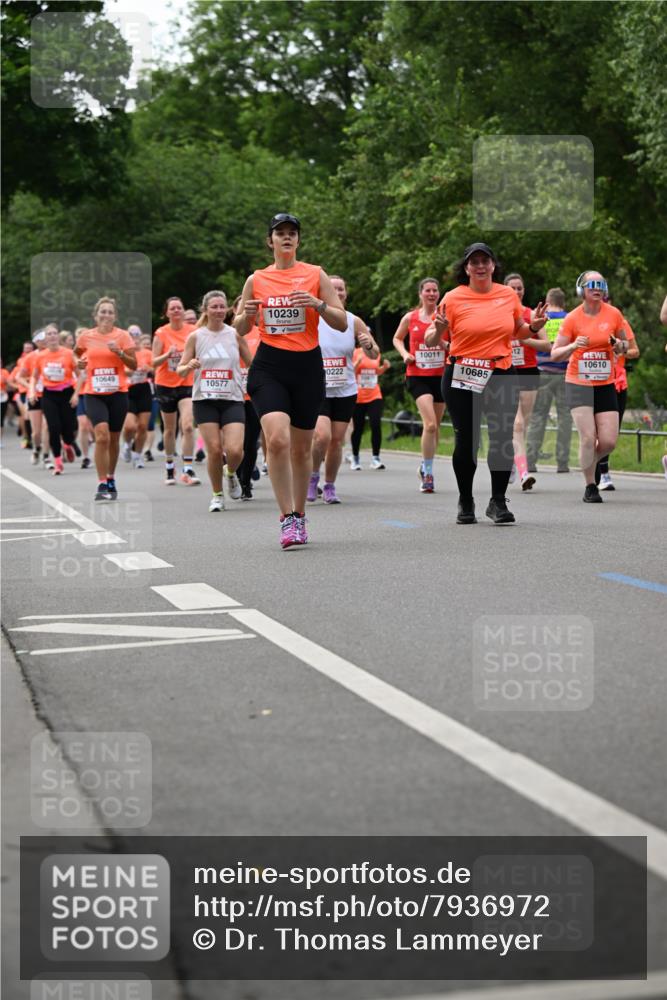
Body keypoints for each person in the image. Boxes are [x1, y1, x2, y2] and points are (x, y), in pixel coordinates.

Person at [234, 212, 346, 548]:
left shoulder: (315, 274)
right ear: (270, 240)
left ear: (298, 240)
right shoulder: (257, 279)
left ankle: (300, 513)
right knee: (278, 440)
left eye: (292, 233)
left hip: (307, 368)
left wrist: (318, 304)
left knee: (302, 449)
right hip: (269, 366)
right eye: (280, 233)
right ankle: (287, 518)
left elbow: (341, 321)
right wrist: (247, 316)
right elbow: (238, 329)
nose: (286, 238)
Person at [425, 242, 547, 525]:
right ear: (466, 267)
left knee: (502, 439)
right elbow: (432, 339)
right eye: (474, 262)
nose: (480, 266)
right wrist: (441, 328)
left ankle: (498, 502)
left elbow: (518, 331)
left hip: (500, 371)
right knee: (468, 441)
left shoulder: (507, 295)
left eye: (485, 261)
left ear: (493, 266)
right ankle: (466, 499)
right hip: (462, 373)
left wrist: (536, 326)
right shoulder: (453, 298)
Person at [551, 271, 628, 503]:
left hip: (605, 383)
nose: (597, 288)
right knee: (588, 437)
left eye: (601, 284)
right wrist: (574, 345)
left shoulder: (614, 314)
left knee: (608, 441)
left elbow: (625, 345)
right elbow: (555, 354)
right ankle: (590, 485)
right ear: (581, 290)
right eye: (591, 285)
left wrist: (618, 345)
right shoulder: (572, 318)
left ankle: (589, 461)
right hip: (578, 382)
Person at [177, 290, 250, 511]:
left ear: (227, 309)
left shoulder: (234, 335)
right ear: (205, 310)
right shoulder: (196, 336)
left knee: (236, 450)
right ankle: (217, 495)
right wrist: (188, 366)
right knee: (215, 450)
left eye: (222, 307)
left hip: (232, 398)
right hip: (204, 400)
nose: (218, 310)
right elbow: (180, 369)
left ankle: (230, 473)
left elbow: (253, 363)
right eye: (214, 307)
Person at [308, 275, 378, 504]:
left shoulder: (353, 321)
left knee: (337, 441)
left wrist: (368, 345)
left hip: (345, 389)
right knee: (321, 437)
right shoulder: (313, 318)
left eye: (341, 289)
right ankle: (312, 478)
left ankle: (329, 485)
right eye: (333, 288)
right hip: (318, 388)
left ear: (346, 294)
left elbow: (374, 353)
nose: (337, 292)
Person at [74, 297, 137, 501]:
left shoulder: (123, 336)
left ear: (115, 316)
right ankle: (102, 483)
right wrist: (79, 364)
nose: (106, 315)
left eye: (110, 312)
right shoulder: (86, 337)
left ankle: (111, 478)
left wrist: (119, 353)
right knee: (101, 436)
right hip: (94, 393)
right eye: (103, 311)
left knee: (113, 438)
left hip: (118, 392)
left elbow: (134, 365)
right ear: (96, 315)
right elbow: (76, 355)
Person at [392, 277, 445, 493]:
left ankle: (424, 464)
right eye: (427, 290)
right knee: (430, 424)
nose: (431, 294)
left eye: (435, 290)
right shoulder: (410, 317)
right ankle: (429, 474)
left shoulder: (444, 317)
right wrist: (405, 354)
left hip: (441, 376)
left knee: (436, 427)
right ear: (420, 294)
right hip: (417, 376)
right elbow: (397, 338)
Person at [505, 273, 551, 491]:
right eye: (512, 288)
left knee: (524, 424)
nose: (516, 291)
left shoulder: (531, 314)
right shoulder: (498, 314)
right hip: (505, 372)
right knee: (517, 424)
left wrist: (526, 339)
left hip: (528, 372)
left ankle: (514, 460)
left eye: (519, 288)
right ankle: (524, 472)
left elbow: (547, 346)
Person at [152, 296, 199, 486]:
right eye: (172, 308)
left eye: (179, 308)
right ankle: (170, 465)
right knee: (170, 430)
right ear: (167, 313)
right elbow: (152, 362)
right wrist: (167, 355)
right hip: (165, 384)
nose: (176, 311)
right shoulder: (161, 333)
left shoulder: (193, 331)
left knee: (187, 425)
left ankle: (187, 468)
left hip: (186, 383)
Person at [525, 288, 573, 474]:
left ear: (548, 300)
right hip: (564, 373)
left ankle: (530, 461)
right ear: (563, 301)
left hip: (543, 372)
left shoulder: (540, 318)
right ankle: (562, 463)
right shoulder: (569, 318)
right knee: (565, 418)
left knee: (538, 417)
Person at [596, 311, 639, 490]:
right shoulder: (584, 322)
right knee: (594, 431)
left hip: (617, 381)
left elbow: (635, 351)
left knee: (611, 432)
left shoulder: (622, 323)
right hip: (594, 381)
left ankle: (601, 469)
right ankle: (600, 471)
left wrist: (622, 350)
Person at [28, 324, 79, 474]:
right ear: (45, 338)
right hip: (49, 394)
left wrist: (76, 394)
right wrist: (31, 392)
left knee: (68, 427)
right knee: (53, 427)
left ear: (58, 336)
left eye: (54, 333)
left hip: (67, 393)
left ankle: (68, 445)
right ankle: (57, 462)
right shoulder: (40, 356)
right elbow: (34, 376)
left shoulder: (69, 353)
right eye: (48, 334)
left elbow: (81, 374)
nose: (51, 336)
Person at [349, 349, 391, 472]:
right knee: (358, 428)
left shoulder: (376, 353)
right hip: (358, 396)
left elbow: (375, 372)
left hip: (374, 395)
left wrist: (384, 367)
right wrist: (357, 362)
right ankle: (355, 458)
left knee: (376, 424)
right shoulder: (355, 352)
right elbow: (349, 371)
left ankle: (375, 458)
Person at [121, 326, 154, 468]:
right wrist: (128, 372)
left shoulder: (147, 353)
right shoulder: (125, 353)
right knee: (129, 426)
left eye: (136, 334)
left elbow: (155, 368)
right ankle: (127, 444)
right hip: (128, 390)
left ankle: (138, 455)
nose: (134, 337)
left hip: (144, 389)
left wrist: (149, 369)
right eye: (131, 334)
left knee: (142, 426)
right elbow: (120, 370)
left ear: (140, 336)